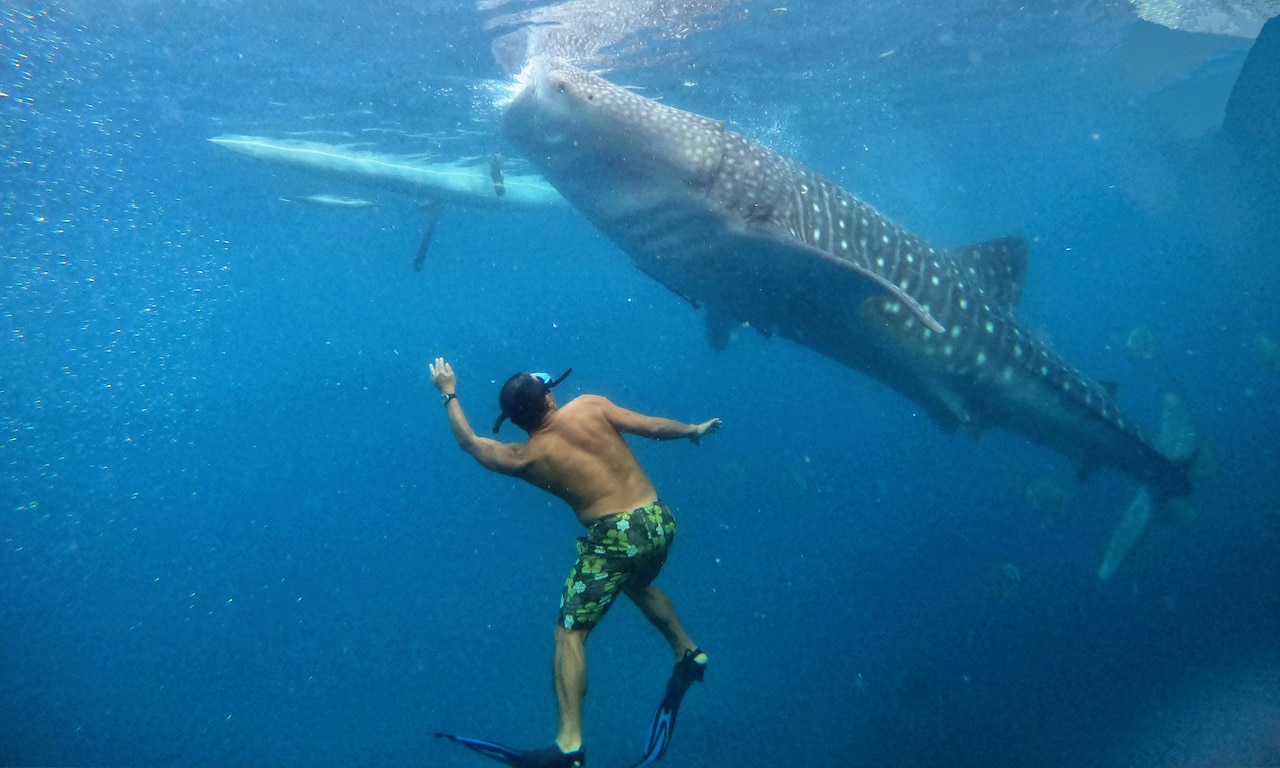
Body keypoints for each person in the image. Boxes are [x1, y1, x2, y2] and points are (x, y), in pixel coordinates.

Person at [429, 357, 720, 768]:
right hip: (657, 520)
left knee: (569, 633)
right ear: (548, 397)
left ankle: (569, 743)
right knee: (633, 583)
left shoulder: (525, 457)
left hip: (615, 537)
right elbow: (652, 427)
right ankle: (687, 651)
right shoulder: (590, 407)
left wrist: (449, 393)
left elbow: (471, 444)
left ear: (514, 421)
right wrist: (692, 429)